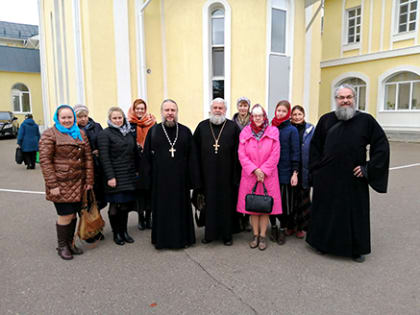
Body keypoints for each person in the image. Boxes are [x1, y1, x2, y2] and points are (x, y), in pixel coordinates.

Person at [306, 84, 390, 263]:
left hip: (353, 178)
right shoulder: (326, 120)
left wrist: (368, 168)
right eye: (341, 97)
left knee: (354, 214)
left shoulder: (366, 121)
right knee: (325, 212)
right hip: (327, 178)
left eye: (348, 97)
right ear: (336, 100)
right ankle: (322, 244)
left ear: (354, 99)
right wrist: (317, 169)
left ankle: (356, 249)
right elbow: (315, 147)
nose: (345, 101)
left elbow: (381, 145)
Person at [142, 99, 200, 249]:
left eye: (172, 110)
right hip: (160, 180)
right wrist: (146, 180)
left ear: (176, 112)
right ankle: (162, 241)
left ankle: (183, 240)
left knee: (180, 210)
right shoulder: (153, 131)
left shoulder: (186, 131)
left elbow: (192, 157)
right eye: (167, 110)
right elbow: (147, 158)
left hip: (180, 181)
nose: (170, 113)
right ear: (161, 112)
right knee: (162, 211)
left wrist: (194, 181)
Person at [39, 105, 94, 260]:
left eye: (70, 117)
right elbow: (45, 161)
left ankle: (70, 243)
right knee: (66, 214)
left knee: (74, 214)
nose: (67, 120)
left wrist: (89, 181)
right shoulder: (49, 134)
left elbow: (88, 158)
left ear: (74, 118)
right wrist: (52, 185)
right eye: (63, 117)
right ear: (58, 118)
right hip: (61, 183)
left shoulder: (80, 133)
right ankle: (62, 246)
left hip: (79, 182)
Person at [193, 98, 241, 246]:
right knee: (209, 205)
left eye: (221, 108)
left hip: (227, 176)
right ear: (211, 109)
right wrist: (197, 177)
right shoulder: (201, 127)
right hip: (207, 176)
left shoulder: (233, 127)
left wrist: (236, 177)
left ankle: (227, 235)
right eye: (215, 108)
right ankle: (210, 234)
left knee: (227, 206)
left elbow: (238, 154)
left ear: (225, 110)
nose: (218, 110)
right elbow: (194, 153)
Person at [237, 104, 282, 251]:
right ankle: (255, 235)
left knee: (265, 207)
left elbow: (275, 154)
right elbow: (241, 154)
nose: (257, 118)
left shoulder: (273, 131)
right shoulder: (245, 132)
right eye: (255, 115)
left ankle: (263, 236)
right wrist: (254, 170)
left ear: (264, 117)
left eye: (260, 115)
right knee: (252, 207)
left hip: (268, 176)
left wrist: (263, 170)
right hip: (250, 175)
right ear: (252, 117)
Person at [97, 107, 139, 246]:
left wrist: (137, 171)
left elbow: (133, 154)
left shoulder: (128, 133)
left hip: (128, 175)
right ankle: (117, 233)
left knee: (125, 206)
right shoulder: (105, 134)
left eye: (120, 117)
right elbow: (104, 158)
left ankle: (124, 232)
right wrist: (110, 177)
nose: (118, 120)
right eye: (114, 118)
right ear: (110, 119)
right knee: (115, 206)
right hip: (114, 176)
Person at [74, 104, 106, 243]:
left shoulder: (96, 126)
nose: (83, 119)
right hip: (83, 169)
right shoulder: (73, 130)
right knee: (86, 202)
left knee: (98, 201)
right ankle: (88, 230)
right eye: (80, 117)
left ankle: (96, 227)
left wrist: (99, 151)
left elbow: (103, 141)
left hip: (98, 168)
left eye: (85, 116)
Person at [269, 100, 300, 245]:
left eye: (283, 111)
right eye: (278, 110)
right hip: (270, 171)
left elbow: (295, 152)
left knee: (283, 204)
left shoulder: (291, 130)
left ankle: (282, 229)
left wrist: (295, 172)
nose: (280, 113)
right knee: (270, 202)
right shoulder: (270, 127)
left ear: (287, 113)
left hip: (285, 172)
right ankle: (273, 227)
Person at [127, 98, 156, 231]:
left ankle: (149, 217)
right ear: (134, 109)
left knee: (150, 191)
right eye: (137, 108)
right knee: (140, 192)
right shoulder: (128, 125)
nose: (140, 111)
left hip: (150, 162)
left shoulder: (153, 123)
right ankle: (140, 217)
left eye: (142, 109)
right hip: (136, 163)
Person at [290, 105, 315, 238]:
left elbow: (316, 147)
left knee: (303, 199)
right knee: (291, 199)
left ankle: (301, 227)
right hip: (291, 169)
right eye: (294, 114)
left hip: (305, 169)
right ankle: (290, 226)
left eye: (299, 114)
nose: (297, 117)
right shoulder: (288, 128)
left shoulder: (311, 129)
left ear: (304, 115)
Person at [232, 96, 252, 232]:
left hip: (250, 158)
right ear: (237, 107)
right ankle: (238, 217)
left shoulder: (253, 121)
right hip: (235, 159)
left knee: (250, 189)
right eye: (241, 105)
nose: (243, 108)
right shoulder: (232, 122)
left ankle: (247, 219)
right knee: (238, 188)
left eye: (245, 105)